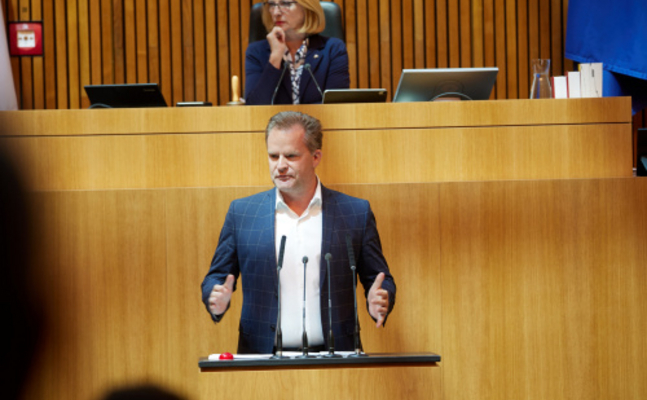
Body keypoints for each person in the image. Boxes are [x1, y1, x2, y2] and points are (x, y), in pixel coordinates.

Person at [201, 111, 395, 354]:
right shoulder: (242, 213)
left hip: (337, 359)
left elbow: (380, 278)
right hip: (261, 358)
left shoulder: (355, 212)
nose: (280, 165)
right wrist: (215, 297)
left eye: (291, 156)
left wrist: (380, 298)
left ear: (316, 157)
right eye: (273, 156)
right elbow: (215, 277)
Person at [244, 0, 350, 105]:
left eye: (285, 3)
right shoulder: (256, 52)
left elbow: (336, 106)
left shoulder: (333, 49)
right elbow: (253, 107)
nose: (276, 12)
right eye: (272, 4)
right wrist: (275, 57)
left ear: (307, 7)